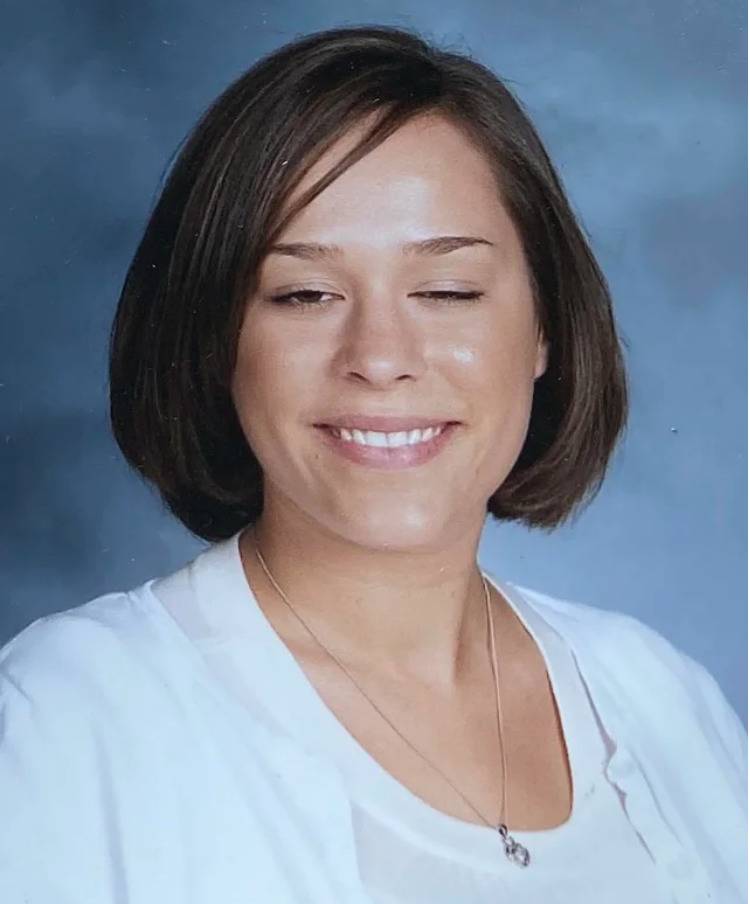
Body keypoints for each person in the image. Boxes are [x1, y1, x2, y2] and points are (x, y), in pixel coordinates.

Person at [0, 23, 745, 904]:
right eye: (305, 294)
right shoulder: (66, 719)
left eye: (447, 292)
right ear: (216, 339)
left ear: (545, 327)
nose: (381, 355)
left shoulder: (659, 697)